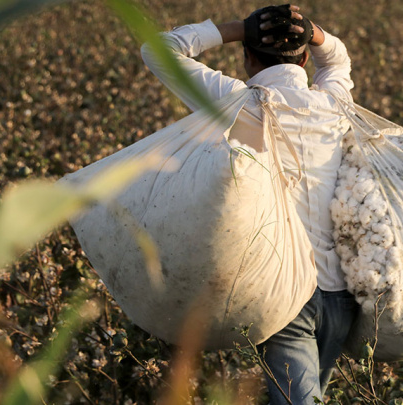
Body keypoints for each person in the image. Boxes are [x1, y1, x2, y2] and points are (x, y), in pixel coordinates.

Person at [140, 5, 358, 404]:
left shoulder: (240, 103)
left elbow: (159, 50)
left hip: (285, 293)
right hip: (341, 296)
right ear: (305, 58)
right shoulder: (332, 105)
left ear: (248, 57)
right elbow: (338, 59)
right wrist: (313, 33)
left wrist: (238, 28)